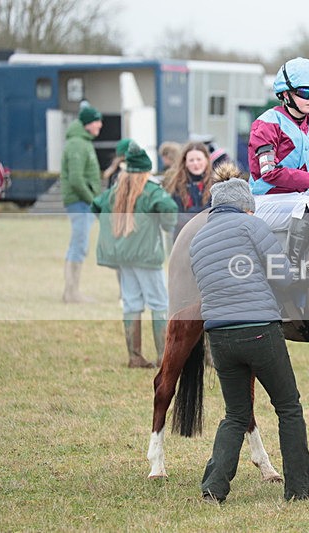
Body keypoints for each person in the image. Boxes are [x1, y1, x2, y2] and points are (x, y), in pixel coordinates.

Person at [189, 174, 309, 503]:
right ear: (247, 206)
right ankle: (298, 489)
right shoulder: (252, 225)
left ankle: (213, 487)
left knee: (236, 414)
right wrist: (308, 278)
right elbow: (282, 278)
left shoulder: (198, 239)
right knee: (288, 407)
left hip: (218, 336)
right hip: (259, 330)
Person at [247, 57, 309, 277]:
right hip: (263, 201)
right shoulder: (266, 124)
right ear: (285, 94)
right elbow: (269, 172)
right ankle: (291, 269)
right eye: (305, 92)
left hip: (296, 196)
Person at [92, 143, 178, 368]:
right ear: (145, 170)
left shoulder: (116, 189)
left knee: (131, 302)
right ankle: (163, 356)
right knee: (159, 303)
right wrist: (167, 226)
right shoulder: (150, 189)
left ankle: (134, 356)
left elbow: (96, 205)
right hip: (147, 256)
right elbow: (169, 209)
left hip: (123, 256)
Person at [60, 103, 103, 303]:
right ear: (87, 123)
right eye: (97, 121)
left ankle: (71, 291)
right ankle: (72, 293)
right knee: (79, 245)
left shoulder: (82, 141)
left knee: (79, 244)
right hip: (80, 202)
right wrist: (92, 200)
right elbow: (76, 179)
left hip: (82, 201)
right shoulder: (77, 143)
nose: (100, 125)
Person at [164, 141, 214, 241]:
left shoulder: (216, 184)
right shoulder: (176, 184)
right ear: (185, 162)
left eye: (199, 159)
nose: (195, 163)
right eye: (191, 160)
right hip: (183, 239)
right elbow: (175, 215)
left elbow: (215, 213)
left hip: (209, 238)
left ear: (206, 160)